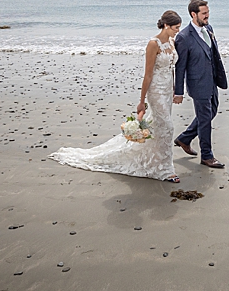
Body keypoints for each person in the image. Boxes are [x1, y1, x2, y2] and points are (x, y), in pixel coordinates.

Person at [50, 11, 182, 182]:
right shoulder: (153, 44)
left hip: (166, 90)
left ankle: (155, 160)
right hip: (155, 90)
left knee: (159, 127)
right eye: (175, 28)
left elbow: (171, 68)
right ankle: (165, 170)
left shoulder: (171, 41)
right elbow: (148, 75)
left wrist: (173, 88)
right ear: (166, 25)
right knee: (168, 127)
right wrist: (141, 101)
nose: (177, 31)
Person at [173, 0, 228, 168]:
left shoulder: (208, 29)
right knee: (205, 119)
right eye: (204, 13)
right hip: (197, 84)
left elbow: (213, 53)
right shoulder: (183, 37)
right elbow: (180, 67)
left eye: (208, 12)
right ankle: (207, 156)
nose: (207, 16)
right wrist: (179, 92)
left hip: (212, 80)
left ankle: (184, 138)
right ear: (193, 14)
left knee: (212, 112)